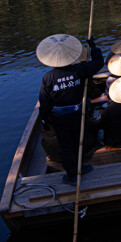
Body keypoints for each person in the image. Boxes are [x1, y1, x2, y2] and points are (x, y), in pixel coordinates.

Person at [37, 33, 104, 184]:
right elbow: (98, 62)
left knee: (68, 145)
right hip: (77, 113)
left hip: (60, 118)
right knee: (76, 141)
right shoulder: (79, 70)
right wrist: (94, 47)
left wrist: (45, 119)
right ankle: (74, 172)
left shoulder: (49, 77)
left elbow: (44, 101)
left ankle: (75, 171)